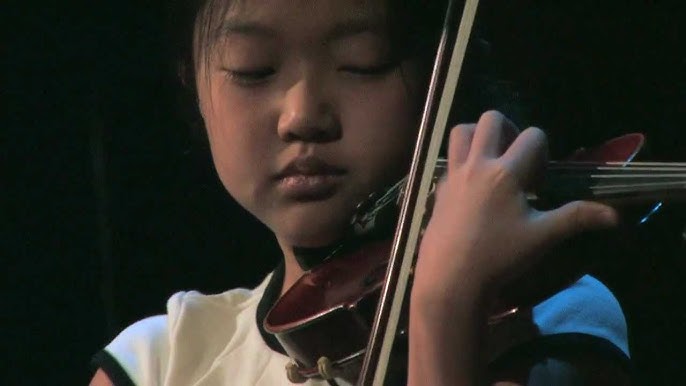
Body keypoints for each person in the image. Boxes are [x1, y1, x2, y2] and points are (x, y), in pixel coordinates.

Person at [89, 0, 631, 384]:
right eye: (253, 70)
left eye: (362, 63)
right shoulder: (162, 362)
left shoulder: (549, 321)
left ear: (440, 76)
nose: (303, 116)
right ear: (193, 81)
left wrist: (445, 306)